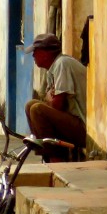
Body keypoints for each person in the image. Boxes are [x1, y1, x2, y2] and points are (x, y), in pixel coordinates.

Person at [24, 32, 86, 161]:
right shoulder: (52, 69)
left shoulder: (62, 64)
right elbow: (50, 100)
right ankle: (45, 151)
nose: (33, 56)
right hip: (71, 119)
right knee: (30, 105)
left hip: (83, 126)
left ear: (46, 53)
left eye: (36, 52)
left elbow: (57, 105)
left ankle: (56, 158)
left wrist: (50, 98)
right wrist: (49, 98)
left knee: (37, 110)